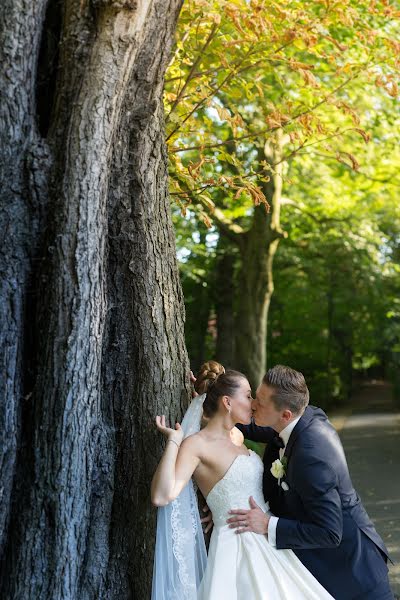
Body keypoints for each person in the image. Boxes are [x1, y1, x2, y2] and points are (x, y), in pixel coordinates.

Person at [151, 361, 334, 599]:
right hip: (234, 547)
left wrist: (203, 399)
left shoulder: (237, 435)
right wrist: (175, 441)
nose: (254, 404)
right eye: (248, 396)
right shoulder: (195, 445)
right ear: (227, 402)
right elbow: (161, 495)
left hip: (267, 539)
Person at [228, 364, 393, 600]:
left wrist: (267, 524)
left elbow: (329, 532)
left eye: (260, 403)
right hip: (328, 567)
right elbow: (259, 427)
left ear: (285, 414)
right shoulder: (301, 416)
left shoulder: (311, 457)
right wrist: (216, 409)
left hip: (354, 574)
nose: (253, 404)